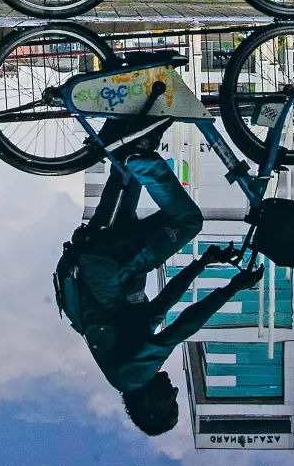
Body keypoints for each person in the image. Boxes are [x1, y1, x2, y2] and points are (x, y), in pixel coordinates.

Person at [56, 122, 262, 437]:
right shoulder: (126, 359)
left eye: (170, 402)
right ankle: (137, 132)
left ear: (151, 406)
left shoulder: (133, 376)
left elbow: (179, 330)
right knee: (128, 174)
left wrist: (232, 288)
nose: (174, 393)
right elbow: (164, 305)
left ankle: (138, 155)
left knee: (188, 221)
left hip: (108, 266)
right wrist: (202, 264)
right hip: (101, 265)